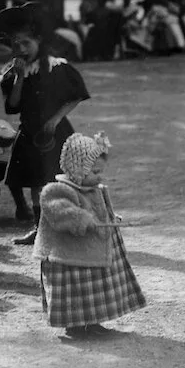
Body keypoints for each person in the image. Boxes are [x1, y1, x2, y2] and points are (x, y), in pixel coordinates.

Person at [0, 2, 90, 244]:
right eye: (16, 44)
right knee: (36, 182)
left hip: (54, 131)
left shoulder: (57, 66)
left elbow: (75, 96)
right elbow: (12, 106)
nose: (21, 49)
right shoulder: (11, 73)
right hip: (29, 130)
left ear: (38, 41)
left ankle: (69, 225)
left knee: (58, 179)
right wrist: (20, 78)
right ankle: (40, 229)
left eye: (26, 43)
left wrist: (55, 120)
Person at [35, 132, 146, 339]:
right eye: (94, 171)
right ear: (78, 169)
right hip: (68, 255)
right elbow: (60, 212)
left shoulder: (93, 188)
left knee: (93, 288)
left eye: (100, 171)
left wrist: (110, 216)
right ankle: (75, 325)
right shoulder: (57, 191)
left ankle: (92, 321)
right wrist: (81, 219)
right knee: (76, 291)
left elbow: (98, 208)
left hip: (90, 252)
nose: (99, 176)